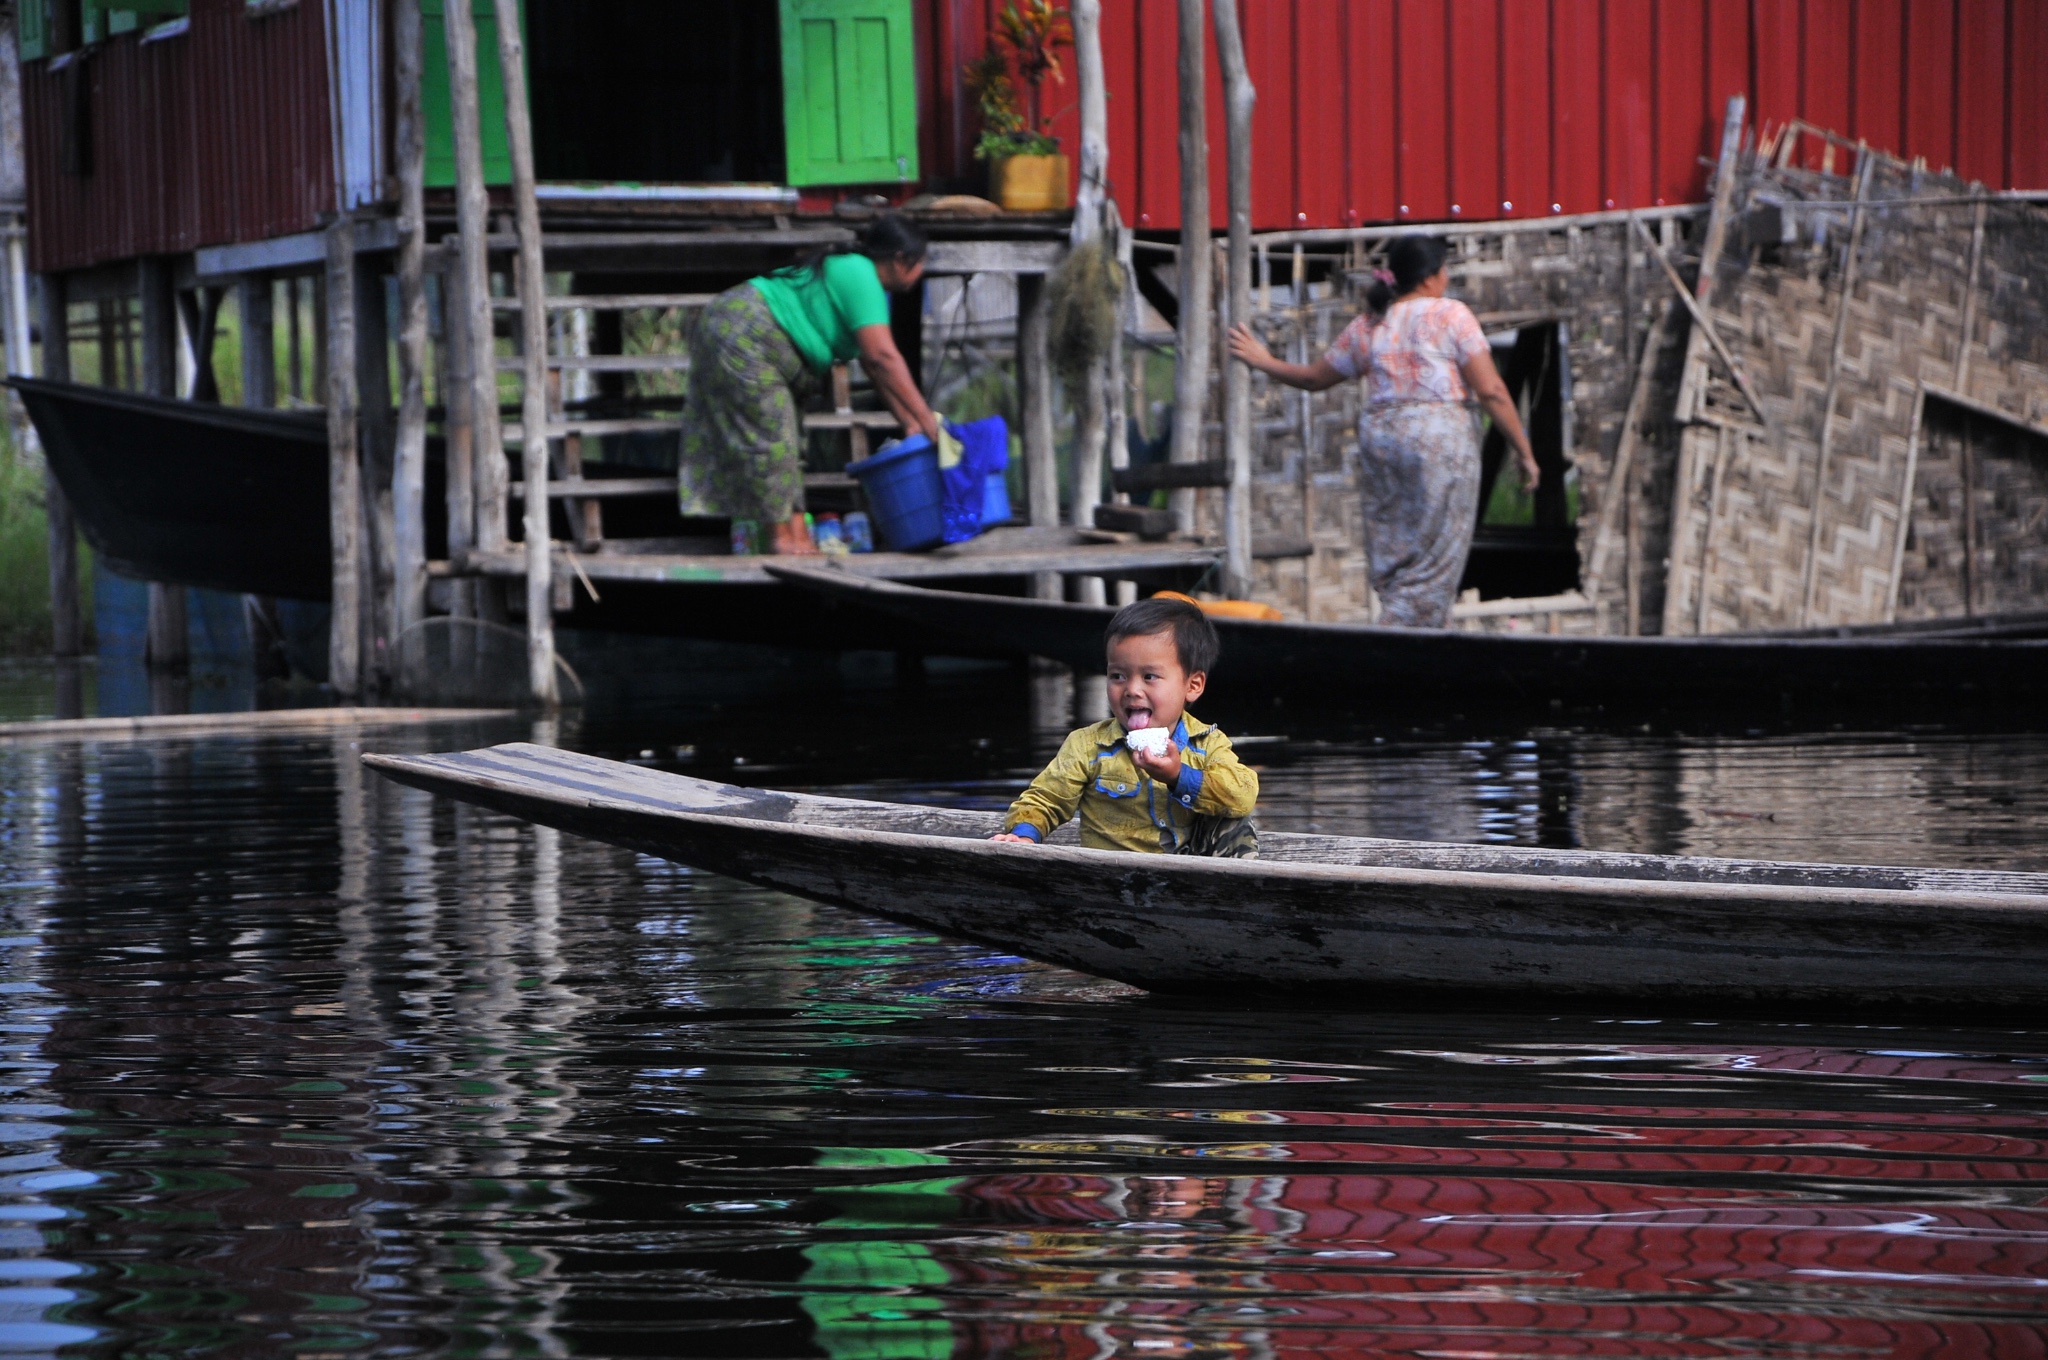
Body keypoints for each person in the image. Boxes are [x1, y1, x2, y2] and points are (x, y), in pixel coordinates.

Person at [1226, 235, 1539, 627]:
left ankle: (1400, 620)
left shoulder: (1369, 325)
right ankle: (1411, 635)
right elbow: (1491, 390)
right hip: (1438, 440)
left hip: (1383, 439)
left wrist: (1263, 360)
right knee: (1436, 551)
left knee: (1397, 544)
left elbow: (1312, 379)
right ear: (1430, 277)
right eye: (1443, 271)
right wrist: (1524, 452)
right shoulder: (1451, 315)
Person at [680, 213, 945, 555]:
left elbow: (873, 366)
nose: (921, 272)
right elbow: (884, 357)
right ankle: (783, 540)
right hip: (745, 332)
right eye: (921, 263)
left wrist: (908, 421)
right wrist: (928, 421)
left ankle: (797, 536)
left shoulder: (863, 281)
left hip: (761, 344)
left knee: (788, 442)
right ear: (900, 260)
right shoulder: (858, 271)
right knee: (770, 439)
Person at [992, 597, 1260, 857]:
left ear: (1193, 685)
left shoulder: (1207, 743)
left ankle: (1229, 898)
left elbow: (1244, 794)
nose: (1132, 689)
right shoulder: (1088, 745)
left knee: (1233, 816)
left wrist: (1178, 776)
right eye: (1117, 676)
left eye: (1149, 677)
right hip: (1112, 877)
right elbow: (1046, 798)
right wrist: (1024, 834)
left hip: (1190, 880)